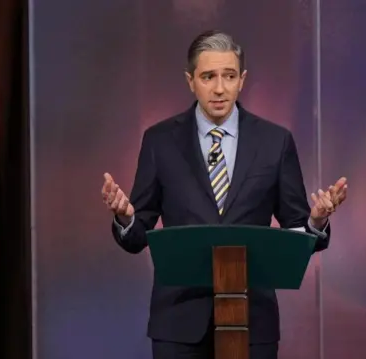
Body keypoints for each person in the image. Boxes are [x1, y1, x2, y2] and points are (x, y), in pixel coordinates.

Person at [101, 30, 348, 359]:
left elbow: (297, 232)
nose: (219, 88)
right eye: (208, 76)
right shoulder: (159, 141)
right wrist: (125, 218)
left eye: (229, 76)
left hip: (252, 321)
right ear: (191, 81)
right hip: (178, 324)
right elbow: (137, 237)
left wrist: (316, 221)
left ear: (242, 80)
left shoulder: (275, 142)